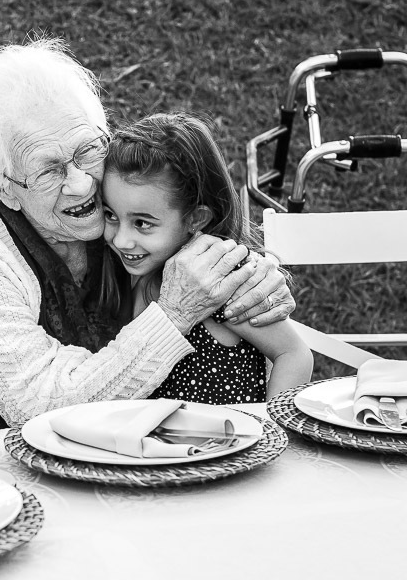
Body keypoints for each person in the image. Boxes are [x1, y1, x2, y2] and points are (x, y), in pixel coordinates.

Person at [0, 38, 296, 449]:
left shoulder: (121, 207)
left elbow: (185, 218)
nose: (82, 183)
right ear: (6, 189)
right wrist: (172, 314)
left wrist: (246, 273)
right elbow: (41, 410)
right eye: (49, 171)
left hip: (131, 461)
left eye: (87, 150)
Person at [99, 112, 313, 402]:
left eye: (142, 223)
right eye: (111, 215)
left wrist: (271, 429)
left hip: (231, 440)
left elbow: (294, 354)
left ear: (195, 219)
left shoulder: (216, 277)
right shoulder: (129, 269)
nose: (121, 239)